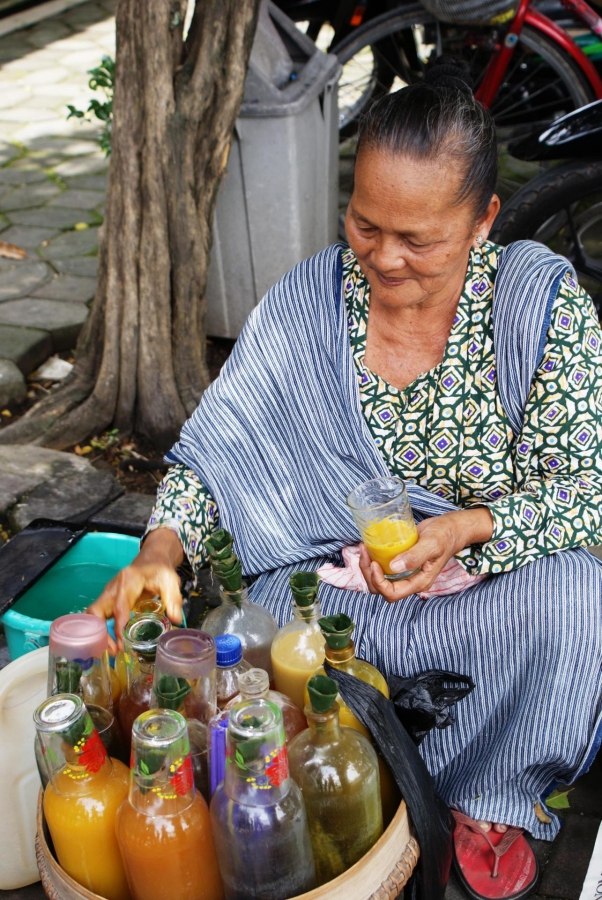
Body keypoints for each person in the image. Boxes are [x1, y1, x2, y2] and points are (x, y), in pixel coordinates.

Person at [89, 58, 602, 899]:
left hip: (483, 603)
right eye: (365, 226)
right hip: (329, 603)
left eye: (420, 240)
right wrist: (159, 548)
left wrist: (462, 529)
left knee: (580, 597)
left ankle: (486, 793)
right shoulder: (308, 302)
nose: (385, 259)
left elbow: (584, 491)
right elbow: (218, 447)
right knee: (251, 637)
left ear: (483, 221)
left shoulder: (538, 309)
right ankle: (345, 763)